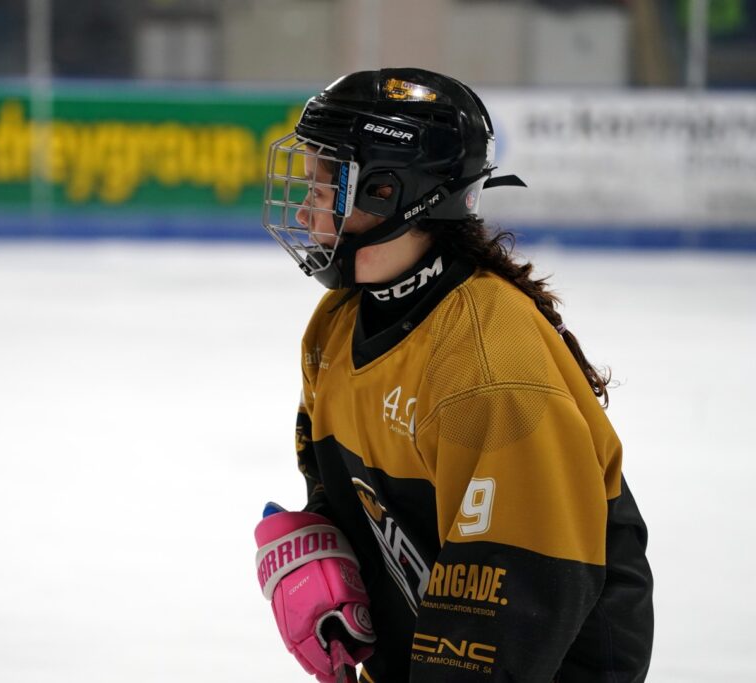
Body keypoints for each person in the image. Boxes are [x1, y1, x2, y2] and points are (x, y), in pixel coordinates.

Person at [252, 68, 654, 683]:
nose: (305, 209)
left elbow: (511, 607)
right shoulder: (338, 323)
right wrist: (332, 544)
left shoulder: (490, 372)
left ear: (387, 192)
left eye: (325, 185)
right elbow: (352, 496)